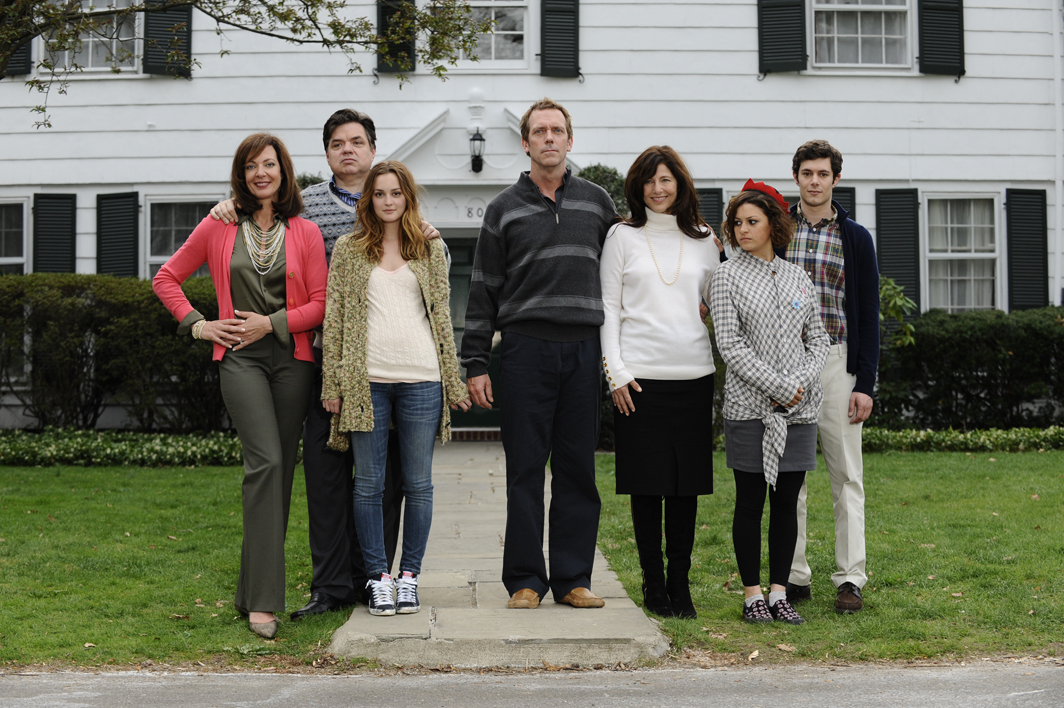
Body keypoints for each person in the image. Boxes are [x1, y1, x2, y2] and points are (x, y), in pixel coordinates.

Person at [209, 109, 442, 620]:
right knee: (327, 474)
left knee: (386, 477)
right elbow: (260, 222)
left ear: (373, 149)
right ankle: (331, 584)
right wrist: (231, 206)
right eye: (337, 143)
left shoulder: (393, 201)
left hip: (387, 365)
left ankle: (373, 576)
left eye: (357, 141)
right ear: (327, 153)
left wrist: (421, 228)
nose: (348, 151)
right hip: (319, 360)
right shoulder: (305, 206)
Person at [154, 133, 328, 639]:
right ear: (241, 174)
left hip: (293, 360)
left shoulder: (306, 232)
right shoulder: (220, 223)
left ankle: (249, 590)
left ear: (283, 172)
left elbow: (320, 303)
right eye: (251, 166)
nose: (261, 173)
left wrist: (269, 323)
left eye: (269, 164)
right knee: (267, 463)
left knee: (278, 476)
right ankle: (265, 604)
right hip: (240, 361)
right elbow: (167, 278)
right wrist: (200, 324)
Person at [462, 98, 618, 610]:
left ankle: (574, 578)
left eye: (558, 131)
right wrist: (477, 363)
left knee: (577, 468)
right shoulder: (503, 208)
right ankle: (526, 579)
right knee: (524, 468)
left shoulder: (598, 203)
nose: (549, 138)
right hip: (525, 350)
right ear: (525, 143)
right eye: (539, 131)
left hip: (582, 348)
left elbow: (621, 277)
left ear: (570, 141)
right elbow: (483, 289)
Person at [321, 160, 470, 616]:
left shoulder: (427, 248)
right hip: (367, 382)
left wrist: (453, 379)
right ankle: (377, 578)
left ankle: (409, 577)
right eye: (380, 193)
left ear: (408, 197)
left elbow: (442, 318)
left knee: (419, 485)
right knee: (368, 485)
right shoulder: (349, 249)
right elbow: (336, 318)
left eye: (396, 193)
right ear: (369, 199)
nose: (388, 201)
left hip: (421, 380)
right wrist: (333, 381)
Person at [599, 146, 723, 619]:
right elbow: (608, 309)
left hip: (693, 376)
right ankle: (653, 583)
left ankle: (680, 583)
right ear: (638, 187)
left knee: (685, 487)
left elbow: (718, 299)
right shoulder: (622, 236)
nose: (657, 188)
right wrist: (616, 373)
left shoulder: (706, 239)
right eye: (649, 180)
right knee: (648, 487)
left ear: (681, 184)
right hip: (638, 380)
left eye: (666, 179)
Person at [709, 180, 829, 625]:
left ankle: (780, 592)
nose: (742, 230)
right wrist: (780, 386)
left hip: (799, 411)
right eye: (737, 223)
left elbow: (817, 337)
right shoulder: (725, 277)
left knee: (787, 501)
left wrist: (799, 382)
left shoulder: (798, 276)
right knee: (750, 500)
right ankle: (752, 594)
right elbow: (731, 346)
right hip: (750, 410)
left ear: (773, 225)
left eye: (752, 222)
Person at [784, 140, 880, 614]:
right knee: (790, 475)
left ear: (836, 179)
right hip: (785, 364)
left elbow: (869, 312)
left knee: (846, 476)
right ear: (797, 177)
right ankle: (794, 574)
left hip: (838, 363)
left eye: (823, 173)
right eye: (807, 173)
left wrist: (865, 383)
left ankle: (850, 578)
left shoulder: (855, 237)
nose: (815, 181)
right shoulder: (777, 228)